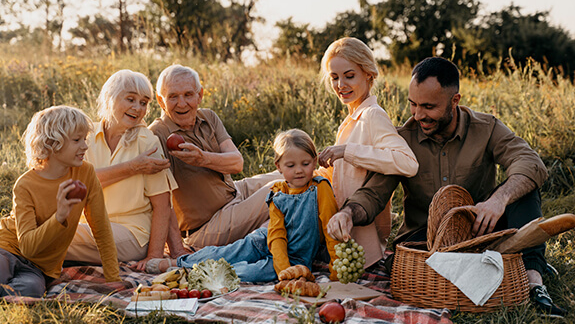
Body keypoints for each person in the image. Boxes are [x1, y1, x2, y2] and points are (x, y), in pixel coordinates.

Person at [327, 56, 566, 317]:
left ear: (455, 101)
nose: (418, 115)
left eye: (428, 106)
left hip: (482, 230)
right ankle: (503, 267)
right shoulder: (403, 138)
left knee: (523, 189)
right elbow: (374, 192)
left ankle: (533, 282)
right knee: (407, 263)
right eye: (413, 105)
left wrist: (499, 199)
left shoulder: (486, 128)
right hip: (425, 242)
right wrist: (348, 213)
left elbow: (530, 162)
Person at [146, 129, 340, 282]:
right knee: (226, 253)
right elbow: (277, 234)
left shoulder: (320, 188)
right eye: (291, 166)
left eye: (305, 164)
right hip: (266, 241)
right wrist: (284, 270)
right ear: (279, 167)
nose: (299, 171)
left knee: (246, 273)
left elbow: (329, 227)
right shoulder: (278, 192)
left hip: (294, 258)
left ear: (315, 161)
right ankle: (177, 263)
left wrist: (336, 267)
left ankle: (195, 272)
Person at [148, 64, 283, 254]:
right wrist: (177, 250)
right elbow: (161, 200)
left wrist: (202, 158)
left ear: (199, 95)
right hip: (208, 225)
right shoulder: (157, 135)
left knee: (289, 174)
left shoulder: (208, 117)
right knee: (280, 189)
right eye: (173, 97)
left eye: (188, 95)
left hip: (235, 192)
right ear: (161, 101)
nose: (181, 103)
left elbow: (237, 163)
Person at [65, 70, 187, 272]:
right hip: (89, 225)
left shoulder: (147, 142)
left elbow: (163, 205)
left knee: (52, 235)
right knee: (44, 232)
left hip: (133, 234)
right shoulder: (85, 136)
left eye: (144, 102)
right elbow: (75, 184)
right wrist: (131, 168)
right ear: (109, 98)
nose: (137, 108)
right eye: (130, 99)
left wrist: (154, 256)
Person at [315, 37, 419, 268]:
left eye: (349, 76)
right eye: (334, 77)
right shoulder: (352, 118)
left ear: (369, 75)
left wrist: (346, 151)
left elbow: (408, 163)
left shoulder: (373, 115)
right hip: (338, 233)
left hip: (360, 245)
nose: (340, 84)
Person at [0, 106, 120, 297]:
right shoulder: (25, 185)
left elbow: (101, 228)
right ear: (51, 143)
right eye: (76, 140)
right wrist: (60, 216)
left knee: (30, 290)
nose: (85, 146)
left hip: (39, 269)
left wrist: (114, 278)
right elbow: (28, 247)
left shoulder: (86, 173)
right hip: (6, 250)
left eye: (85, 139)